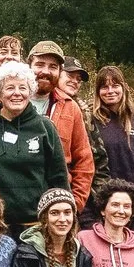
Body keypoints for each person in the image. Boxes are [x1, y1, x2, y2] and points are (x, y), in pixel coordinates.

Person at [0, 61, 71, 230]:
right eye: (10, 88)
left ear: (30, 92)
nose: (17, 93)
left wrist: (65, 217)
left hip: (36, 225)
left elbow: (59, 179)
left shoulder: (45, 127)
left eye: (23, 88)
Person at [25, 41, 94, 210]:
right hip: (14, 207)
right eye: (39, 64)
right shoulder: (5, 101)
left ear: (60, 71)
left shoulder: (70, 107)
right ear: (28, 66)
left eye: (53, 66)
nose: (46, 71)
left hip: (57, 209)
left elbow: (84, 161)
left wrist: (75, 203)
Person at [89, 66, 134, 203]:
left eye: (115, 86)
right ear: (98, 91)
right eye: (104, 87)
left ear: (123, 88)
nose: (110, 91)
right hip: (103, 198)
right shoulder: (91, 122)